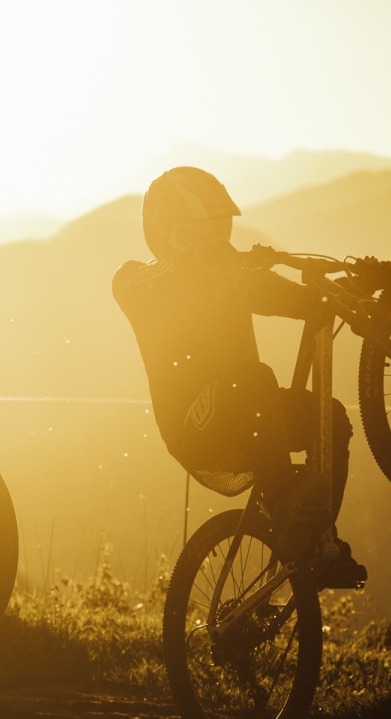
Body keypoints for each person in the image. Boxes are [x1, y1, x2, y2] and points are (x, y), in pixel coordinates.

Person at [111, 166, 365, 586]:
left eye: (218, 231)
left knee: (332, 420)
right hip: (193, 427)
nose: (211, 242)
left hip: (248, 411)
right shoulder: (135, 279)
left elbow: (299, 299)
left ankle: (317, 543)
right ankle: (285, 506)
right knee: (254, 381)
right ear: (161, 232)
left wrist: (349, 292)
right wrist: (205, 261)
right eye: (194, 233)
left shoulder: (227, 277)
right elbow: (152, 278)